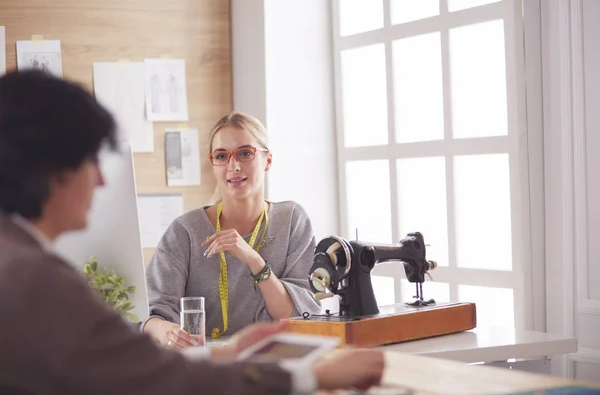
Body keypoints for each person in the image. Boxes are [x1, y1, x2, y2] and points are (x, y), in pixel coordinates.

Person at [0, 71, 386, 394]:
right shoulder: (35, 279)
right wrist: (310, 375)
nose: (101, 180)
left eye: (245, 153)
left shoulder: (17, 261)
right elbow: (150, 368)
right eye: (90, 161)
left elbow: (125, 365)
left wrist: (226, 353)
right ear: (51, 169)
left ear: (267, 160)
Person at [143, 111, 322, 348]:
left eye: (245, 153)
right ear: (213, 164)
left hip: (274, 360)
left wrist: (254, 261)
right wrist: (163, 329)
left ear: (267, 160)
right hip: (206, 365)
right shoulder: (184, 231)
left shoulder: (292, 220)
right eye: (221, 156)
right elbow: (150, 313)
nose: (234, 166)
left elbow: (296, 314)